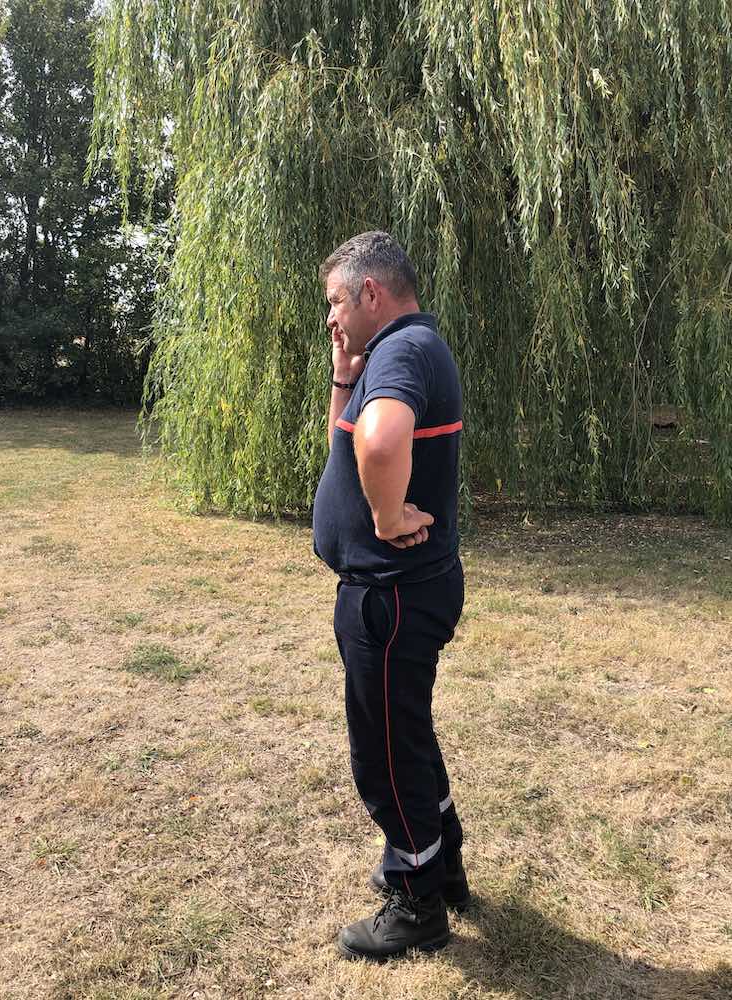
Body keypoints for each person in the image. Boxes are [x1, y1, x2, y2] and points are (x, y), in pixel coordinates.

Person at [312, 231, 469, 961]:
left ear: (371, 292)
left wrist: (383, 517)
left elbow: (378, 445)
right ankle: (443, 862)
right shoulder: (394, 351)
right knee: (407, 733)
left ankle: (416, 903)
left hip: (392, 596)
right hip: (400, 592)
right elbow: (347, 443)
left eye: (336, 302)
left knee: (383, 752)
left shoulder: (403, 351)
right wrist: (344, 377)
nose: (331, 318)